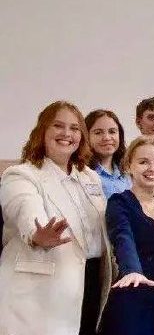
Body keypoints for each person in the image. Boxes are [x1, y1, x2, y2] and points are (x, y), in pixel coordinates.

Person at [0, 101, 113, 335]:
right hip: (42, 293)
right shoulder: (21, 175)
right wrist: (37, 234)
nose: (67, 134)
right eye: (58, 126)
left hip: (91, 282)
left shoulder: (89, 177)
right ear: (42, 131)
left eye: (74, 128)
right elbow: (25, 208)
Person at [103, 136, 154, 335]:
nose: (152, 168)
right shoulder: (119, 202)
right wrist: (131, 270)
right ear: (128, 166)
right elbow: (122, 237)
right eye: (143, 162)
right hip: (133, 298)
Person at [85, 109, 131, 199]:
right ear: (86, 136)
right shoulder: (81, 173)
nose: (106, 137)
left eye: (112, 132)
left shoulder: (128, 173)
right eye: (98, 133)